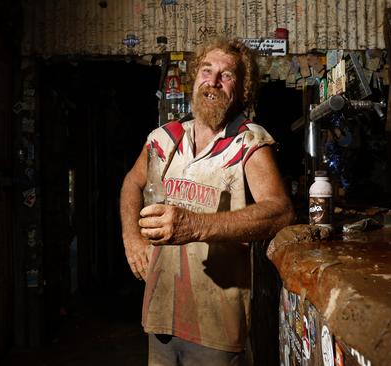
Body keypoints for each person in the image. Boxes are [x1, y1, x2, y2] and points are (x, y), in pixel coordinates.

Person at [119, 37, 295, 365]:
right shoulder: (165, 138)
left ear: (241, 89)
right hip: (161, 311)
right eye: (206, 70)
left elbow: (280, 211)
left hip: (217, 319)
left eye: (226, 75)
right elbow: (132, 182)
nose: (212, 81)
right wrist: (132, 238)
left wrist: (195, 224)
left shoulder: (249, 141)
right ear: (194, 78)